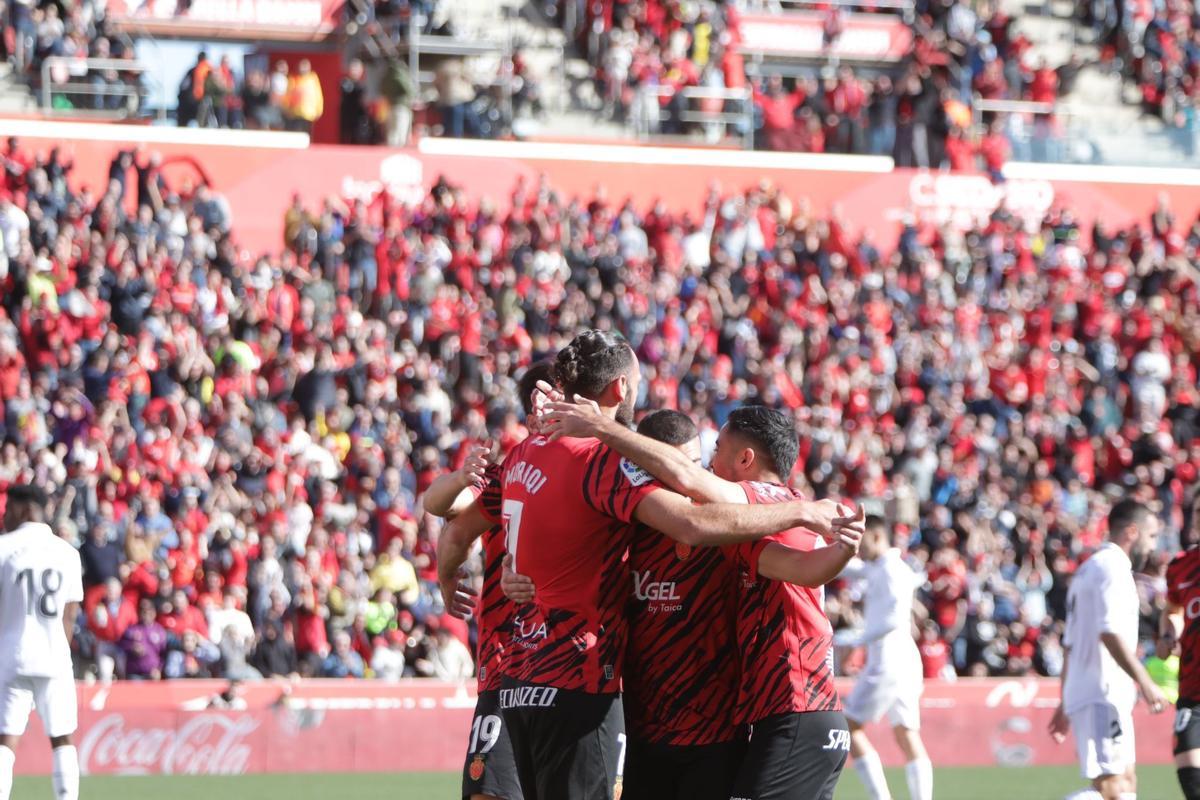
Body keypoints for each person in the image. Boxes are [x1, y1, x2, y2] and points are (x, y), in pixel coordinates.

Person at [442, 330, 859, 800]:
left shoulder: (530, 458)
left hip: (695, 725)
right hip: (598, 699)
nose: (700, 476)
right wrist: (516, 573)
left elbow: (456, 522)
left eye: (708, 459)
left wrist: (490, 573)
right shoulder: (622, 492)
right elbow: (692, 521)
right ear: (621, 388)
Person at [512, 405, 861, 800]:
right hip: (657, 732)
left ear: (745, 458)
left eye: (711, 454)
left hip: (755, 725)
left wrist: (599, 426)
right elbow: (800, 567)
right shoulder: (648, 528)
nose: (707, 467)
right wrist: (521, 578)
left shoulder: (755, 512)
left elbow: (696, 490)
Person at [432, 359, 552, 800]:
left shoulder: (600, 470)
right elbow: (448, 515)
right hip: (514, 663)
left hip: (570, 672)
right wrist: (448, 577)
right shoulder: (508, 475)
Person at [1050, 499, 1168, 800]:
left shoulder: (1089, 569)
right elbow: (1109, 632)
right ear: (1132, 532)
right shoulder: (1112, 569)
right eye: (1151, 536)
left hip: (1094, 689)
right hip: (1102, 689)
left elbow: (1070, 644)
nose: (1153, 546)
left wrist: (1065, 700)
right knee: (1112, 788)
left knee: (1126, 781)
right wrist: (1144, 679)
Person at [0, 484, 84, 800]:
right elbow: (69, 616)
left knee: (5, 741)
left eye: (7, 510)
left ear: (24, 510)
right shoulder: (68, 553)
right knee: (62, 738)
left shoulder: (4, 548)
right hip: (54, 656)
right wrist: (58, 653)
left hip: (11, 654)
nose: (4, 517)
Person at [838, 516, 931, 800]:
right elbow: (851, 569)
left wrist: (855, 639)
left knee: (850, 727)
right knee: (906, 733)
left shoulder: (892, 570)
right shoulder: (882, 567)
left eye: (862, 539)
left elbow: (894, 618)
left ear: (877, 536)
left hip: (889, 659)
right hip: (902, 657)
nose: (859, 546)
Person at [1161, 493, 1200, 800]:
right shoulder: (1180, 565)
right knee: (1192, 781)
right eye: (1198, 510)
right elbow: (1172, 609)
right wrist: (1167, 634)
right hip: (1192, 688)